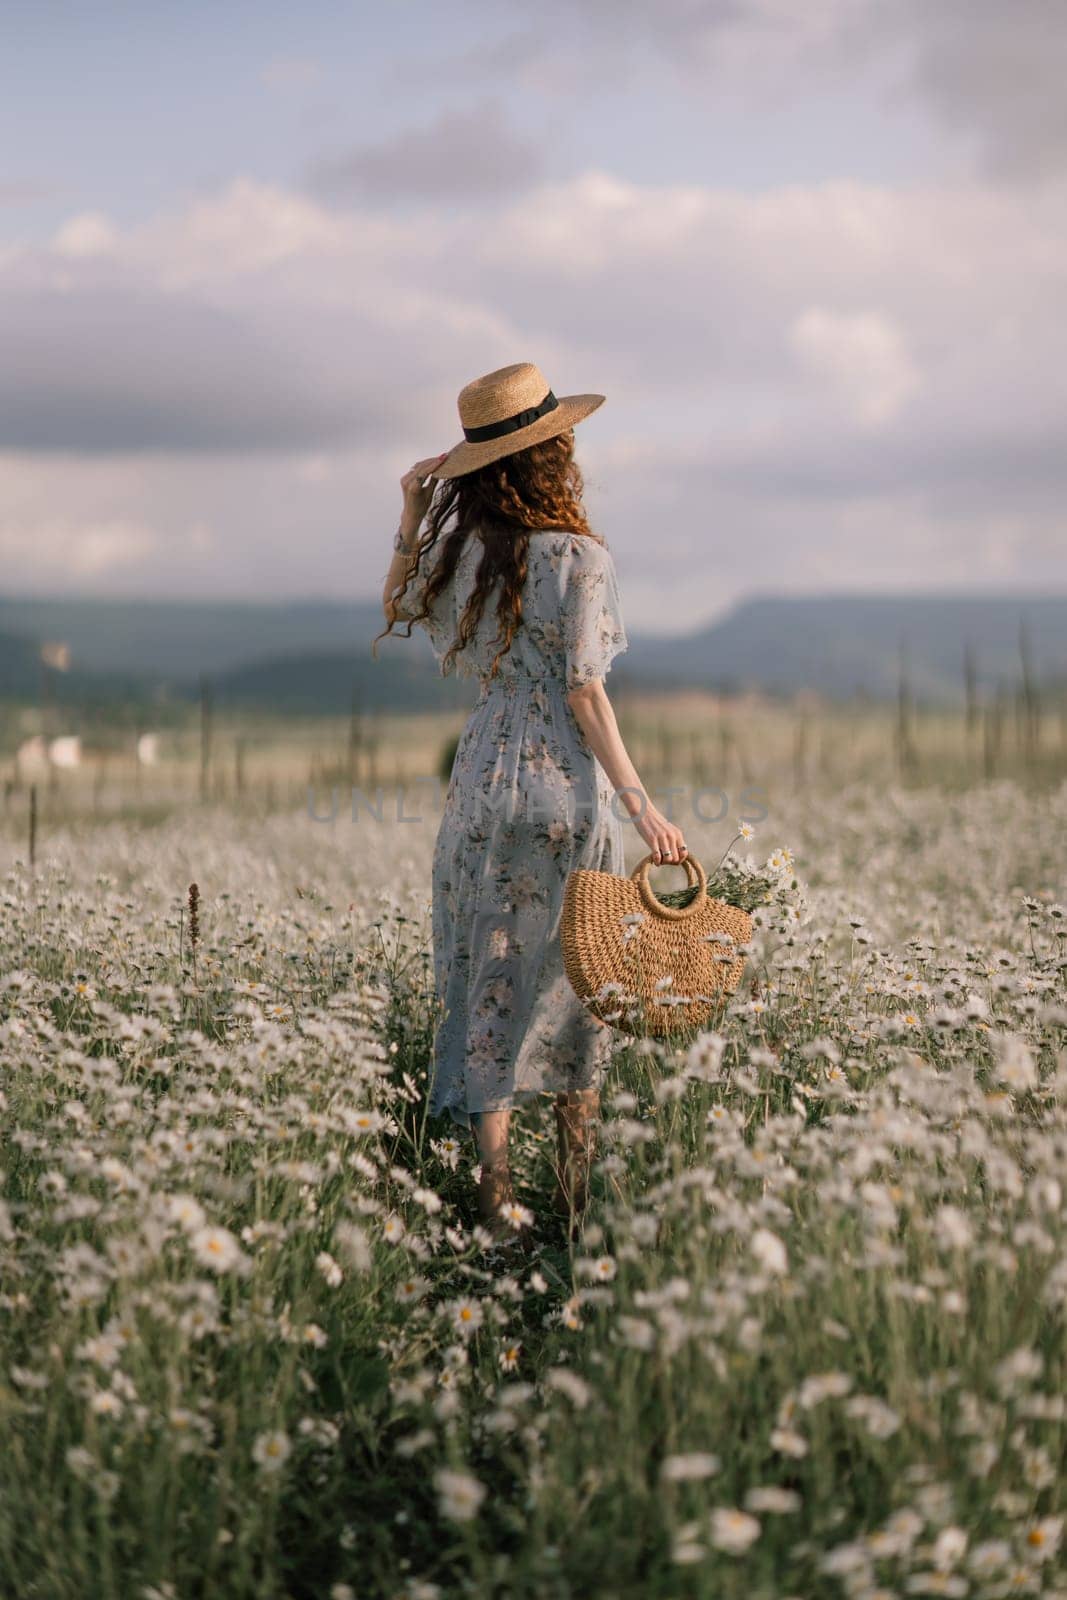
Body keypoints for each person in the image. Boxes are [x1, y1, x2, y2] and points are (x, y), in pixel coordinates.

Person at [374, 362, 687, 1244]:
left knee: (487, 978)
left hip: (480, 778)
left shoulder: (463, 554)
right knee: (576, 976)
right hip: (561, 787)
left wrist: (409, 510)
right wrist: (643, 808)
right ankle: (578, 1203)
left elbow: (396, 600)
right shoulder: (581, 558)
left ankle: (495, 1210)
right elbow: (585, 692)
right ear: (552, 457)